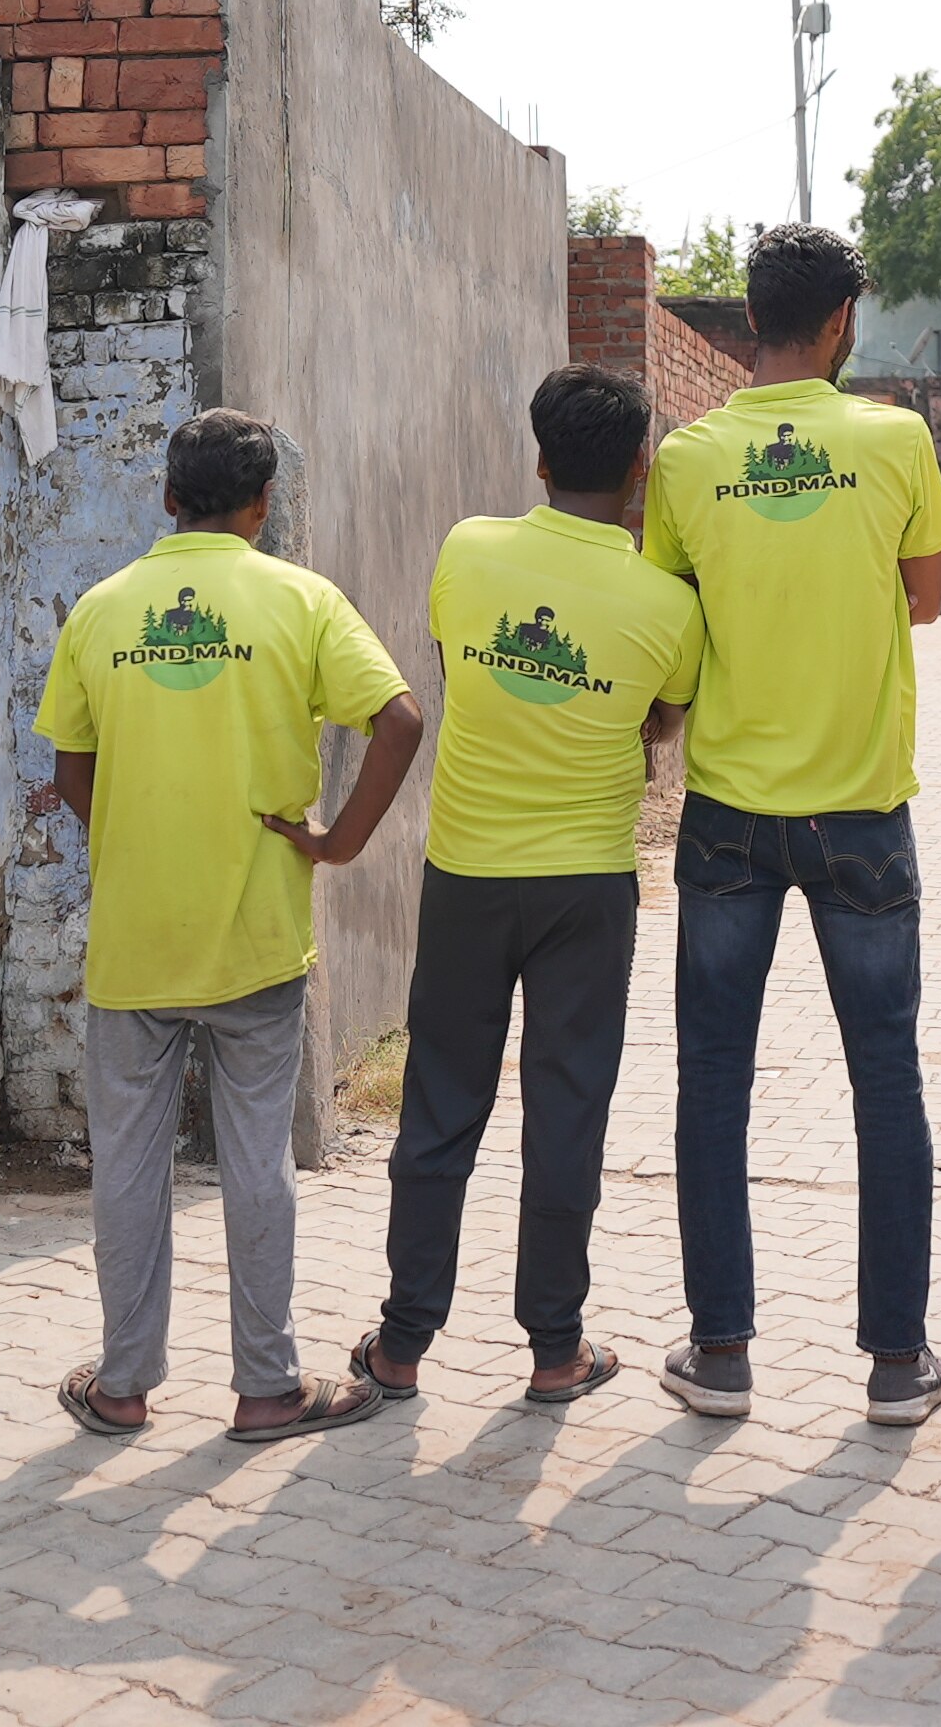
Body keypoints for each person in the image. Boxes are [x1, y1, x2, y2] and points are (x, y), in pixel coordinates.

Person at [32, 407, 426, 1445]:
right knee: (258, 1162)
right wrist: (337, 842)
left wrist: (125, 831)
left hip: (135, 940)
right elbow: (399, 719)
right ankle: (266, 1388)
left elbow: (70, 765)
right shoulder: (301, 600)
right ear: (262, 505)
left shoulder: (103, 609)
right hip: (256, 937)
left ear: (167, 495)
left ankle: (121, 1385)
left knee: (128, 1164)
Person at [643, 222, 941, 1424]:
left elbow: (674, 630)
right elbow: (927, 599)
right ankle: (894, 1365)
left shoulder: (686, 457)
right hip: (863, 812)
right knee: (886, 1079)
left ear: (751, 320)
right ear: (838, 325)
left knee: (712, 1079)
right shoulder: (892, 439)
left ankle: (719, 1356)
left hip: (725, 810)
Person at [355, 365, 702, 1411]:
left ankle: (403, 1342)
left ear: (540, 460)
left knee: (438, 1105)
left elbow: (462, 664)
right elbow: (660, 720)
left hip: (465, 874)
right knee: (566, 1111)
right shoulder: (667, 608)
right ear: (641, 472)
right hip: (587, 886)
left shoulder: (469, 549)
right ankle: (556, 1349)